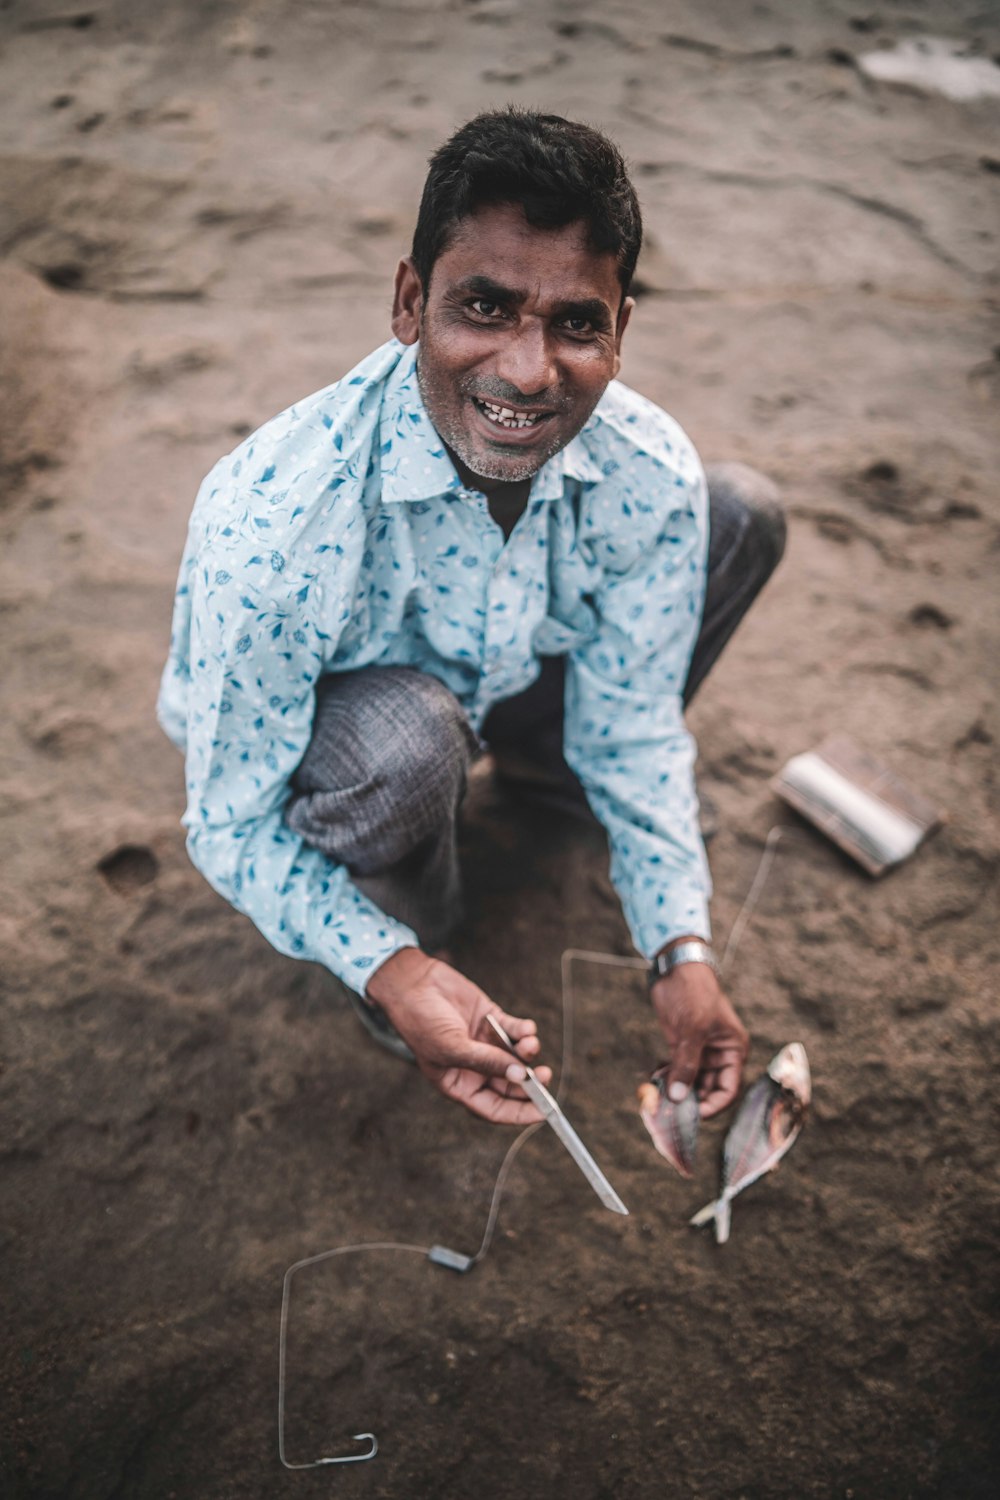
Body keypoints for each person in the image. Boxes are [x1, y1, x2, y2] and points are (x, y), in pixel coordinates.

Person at [158, 109, 785, 1131]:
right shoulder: (275, 524)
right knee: (411, 735)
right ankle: (406, 943)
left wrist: (681, 949)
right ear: (410, 302)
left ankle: (542, 786)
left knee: (736, 516)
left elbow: (632, 721)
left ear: (620, 329)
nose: (528, 371)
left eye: (576, 322)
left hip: (502, 674)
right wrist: (390, 966)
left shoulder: (642, 466)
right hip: (355, 743)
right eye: (483, 307)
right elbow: (227, 823)